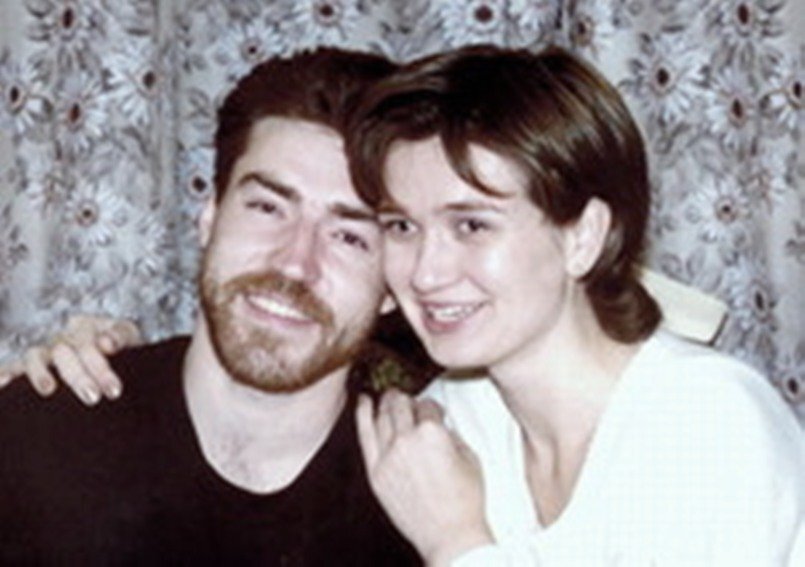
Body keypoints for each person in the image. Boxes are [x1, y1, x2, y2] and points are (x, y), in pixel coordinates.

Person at [346, 45, 805, 565]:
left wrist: (454, 540)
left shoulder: (704, 424)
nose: (426, 273)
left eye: (472, 225)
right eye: (401, 226)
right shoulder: (451, 421)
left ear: (584, 237)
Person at [0, 47, 420, 566]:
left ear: (392, 285)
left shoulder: (432, 506)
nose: (295, 264)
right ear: (209, 217)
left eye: (349, 237)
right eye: (267, 208)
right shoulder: (35, 438)